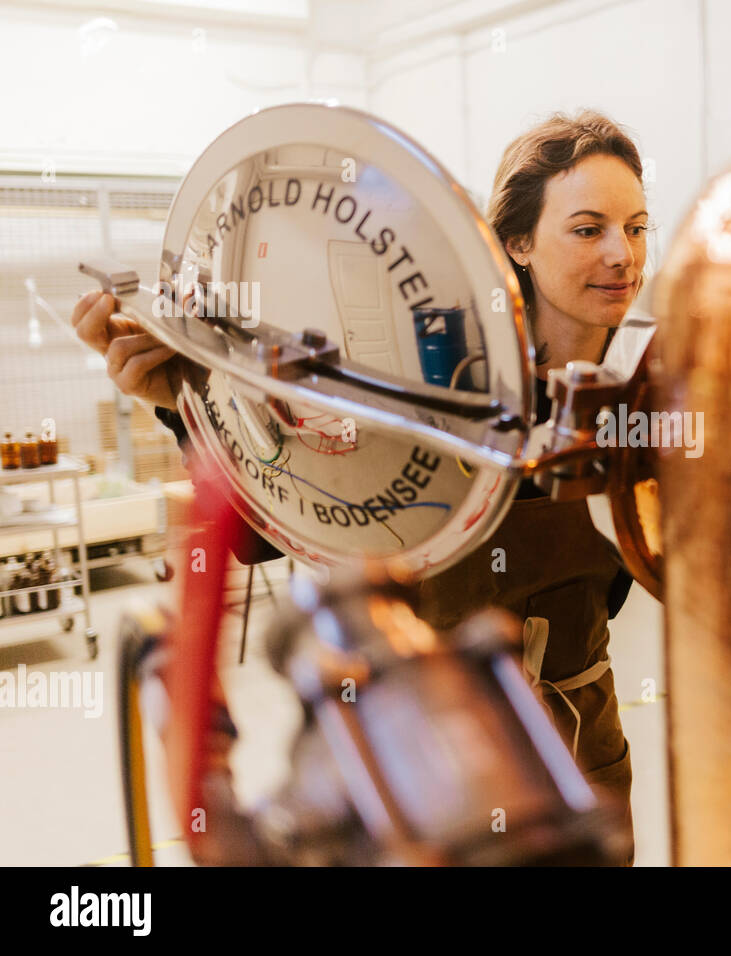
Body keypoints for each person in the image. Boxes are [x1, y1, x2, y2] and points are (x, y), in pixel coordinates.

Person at [69, 109, 652, 863]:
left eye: (637, 228)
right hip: (418, 738)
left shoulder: (651, 388)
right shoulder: (427, 371)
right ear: (517, 243)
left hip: (579, 738)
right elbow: (263, 531)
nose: (622, 255)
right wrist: (186, 409)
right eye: (588, 228)